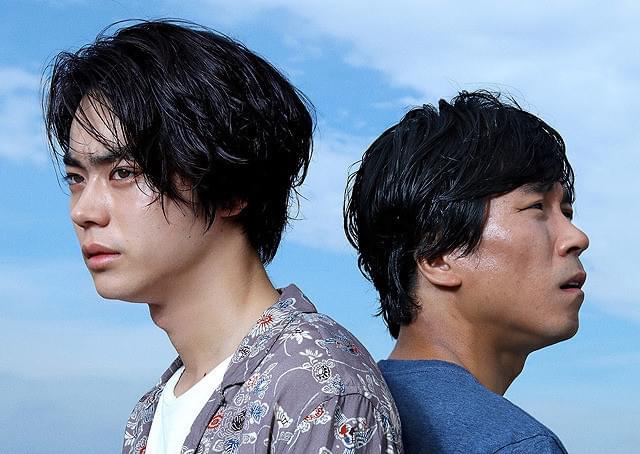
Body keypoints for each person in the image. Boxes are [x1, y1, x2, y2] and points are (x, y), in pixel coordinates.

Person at [45, 20, 402, 454]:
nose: (83, 211)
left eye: (123, 173)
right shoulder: (151, 412)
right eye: (77, 178)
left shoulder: (318, 389)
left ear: (232, 189)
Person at [344, 91, 589, 453]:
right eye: (537, 207)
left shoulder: (349, 411)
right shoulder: (512, 444)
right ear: (437, 254)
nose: (577, 238)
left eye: (566, 212)